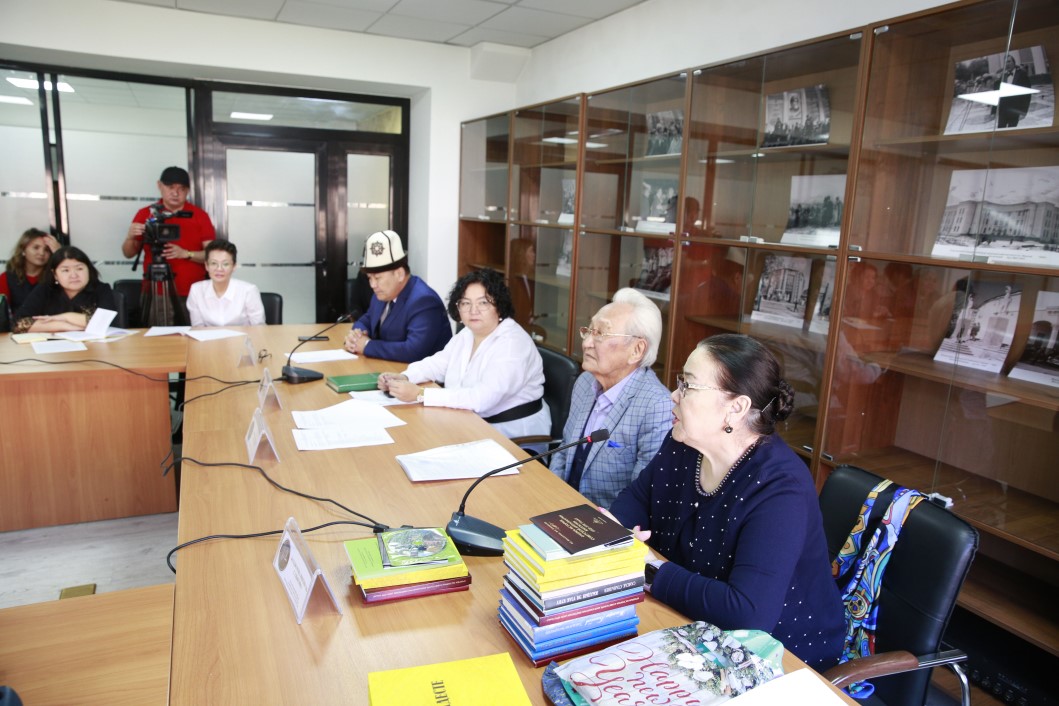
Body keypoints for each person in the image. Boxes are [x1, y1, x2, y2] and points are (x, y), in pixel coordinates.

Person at [609, 334, 844, 672]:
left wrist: (647, 568)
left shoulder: (780, 488)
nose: (674, 395)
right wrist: (615, 535)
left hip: (778, 659)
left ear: (736, 408)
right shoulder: (684, 442)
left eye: (688, 386)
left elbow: (747, 614)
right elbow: (636, 498)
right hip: (689, 624)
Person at [378, 268, 551, 442]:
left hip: (510, 434)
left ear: (499, 306)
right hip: (468, 422)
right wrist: (405, 377)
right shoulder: (468, 333)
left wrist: (420, 394)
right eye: (466, 303)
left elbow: (482, 398)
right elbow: (438, 364)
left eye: (483, 303)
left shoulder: (513, 344)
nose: (473, 310)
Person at [550, 288, 672, 508]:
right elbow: (564, 449)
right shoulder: (585, 382)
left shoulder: (656, 406)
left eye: (601, 334)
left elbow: (641, 498)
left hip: (608, 520)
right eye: (589, 331)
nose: (587, 343)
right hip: (560, 505)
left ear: (636, 350)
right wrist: (550, 496)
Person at [121, 166, 215, 323]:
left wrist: (186, 254)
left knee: (192, 334)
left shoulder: (199, 216)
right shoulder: (146, 214)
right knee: (157, 336)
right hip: (155, 290)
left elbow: (213, 256)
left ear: (188, 190)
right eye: (170, 187)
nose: (176, 193)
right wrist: (130, 236)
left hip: (192, 291)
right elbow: (128, 253)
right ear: (159, 186)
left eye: (181, 189)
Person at [343, 230, 451, 362]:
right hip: (391, 369)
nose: (372, 285)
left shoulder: (424, 301)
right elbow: (367, 319)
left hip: (424, 374)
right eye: (369, 278)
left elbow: (413, 351)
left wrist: (366, 345)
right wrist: (357, 335)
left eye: (377, 278)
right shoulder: (383, 293)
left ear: (399, 274)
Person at [14, 245, 117, 333]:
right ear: (55, 274)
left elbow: (104, 321)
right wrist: (63, 326)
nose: (74, 275)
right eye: (66, 270)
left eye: (79, 268)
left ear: (88, 270)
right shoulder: (45, 289)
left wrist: (65, 317)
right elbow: (18, 323)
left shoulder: (102, 289)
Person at [186, 240, 265, 327]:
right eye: (213, 263)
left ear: (234, 266)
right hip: (209, 336)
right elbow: (197, 328)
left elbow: (259, 328)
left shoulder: (248, 291)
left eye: (225, 264)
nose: (219, 269)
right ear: (206, 266)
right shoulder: (196, 290)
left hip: (243, 336)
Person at [1, 227, 61, 318]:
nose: (41, 253)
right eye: (36, 248)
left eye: (47, 250)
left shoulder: (56, 277)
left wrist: (60, 254)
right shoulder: (6, 277)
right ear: (23, 250)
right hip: (18, 324)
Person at [995, 55, 1032, 128]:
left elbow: (1027, 95)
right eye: (1005, 62)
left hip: (1015, 110)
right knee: (1000, 130)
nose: (1007, 64)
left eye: (1009, 61)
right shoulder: (1003, 76)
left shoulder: (1021, 74)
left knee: (1011, 130)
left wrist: (1023, 111)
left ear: (1014, 63)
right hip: (1003, 111)